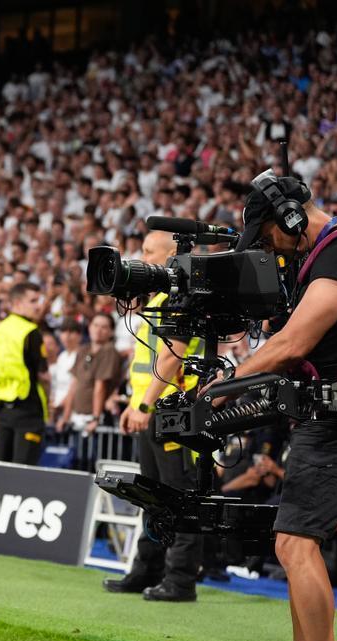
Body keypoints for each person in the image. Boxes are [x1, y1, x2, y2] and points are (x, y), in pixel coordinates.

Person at [226, 173, 337, 641]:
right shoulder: (329, 256)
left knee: (296, 543)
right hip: (332, 414)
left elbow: (293, 344)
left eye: (267, 233)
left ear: (290, 217)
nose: (268, 246)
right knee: (295, 542)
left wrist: (227, 384)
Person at [102, 230, 203, 603]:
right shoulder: (159, 298)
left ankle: (180, 580)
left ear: (173, 254)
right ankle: (147, 570)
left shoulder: (182, 298)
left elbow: (172, 356)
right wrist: (135, 404)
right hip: (152, 410)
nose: (140, 257)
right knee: (152, 498)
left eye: (148, 251)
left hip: (172, 412)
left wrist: (142, 405)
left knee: (178, 497)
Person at [0, 282, 49, 465]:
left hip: (0, 406)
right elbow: (44, 375)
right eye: (32, 301)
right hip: (27, 407)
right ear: (17, 302)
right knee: (23, 470)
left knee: (0, 465)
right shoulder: (30, 331)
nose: (38, 305)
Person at [57, 313, 123, 436]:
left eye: (104, 327)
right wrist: (65, 416)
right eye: (96, 325)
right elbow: (73, 385)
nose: (98, 330)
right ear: (89, 327)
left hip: (97, 421)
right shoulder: (83, 349)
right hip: (77, 417)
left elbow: (100, 387)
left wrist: (95, 418)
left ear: (111, 332)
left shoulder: (109, 351)